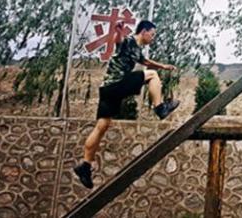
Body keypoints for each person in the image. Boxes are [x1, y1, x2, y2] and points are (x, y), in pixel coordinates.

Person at [73, 20, 180, 189]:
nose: (153, 38)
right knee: (151, 75)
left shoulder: (137, 50)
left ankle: (85, 165)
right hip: (117, 84)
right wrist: (118, 31)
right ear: (144, 31)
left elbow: (145, 61)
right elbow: (119, 42)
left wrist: (164, 66)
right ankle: (160, 108)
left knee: (102, 125)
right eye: (152, 34)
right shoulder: (129, 41)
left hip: (107, 89)